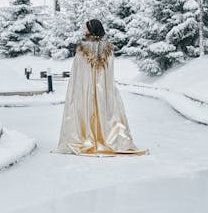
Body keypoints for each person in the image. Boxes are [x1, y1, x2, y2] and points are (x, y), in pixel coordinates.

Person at [54, 19, 147, 156]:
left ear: (91, 30)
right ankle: (109, 137)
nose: (83, 30)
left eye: (86, 28)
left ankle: (87, 138)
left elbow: (78, 72)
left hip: (87, 90)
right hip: (104, 88)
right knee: (108, 112)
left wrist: (78, 89)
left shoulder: (82, 48)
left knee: (87, 110)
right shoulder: (108, 48)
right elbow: (109, 70)